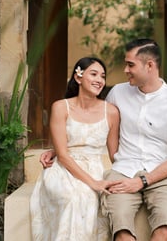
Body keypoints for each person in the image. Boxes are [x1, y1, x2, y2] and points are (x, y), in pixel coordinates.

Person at [41, 39, 167, 241]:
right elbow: (96, 124)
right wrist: (59, 148)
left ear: (149, 66)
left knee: (164, 229)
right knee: (121, 230)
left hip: (161, 175)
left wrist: (143, 181)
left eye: (130, 65)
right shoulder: (118, 93)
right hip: (122, 172)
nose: (125, 70)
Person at [30, 57, 121, 241]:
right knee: (73, 197)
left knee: (91, 199)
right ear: (78, 77)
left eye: (102, 76)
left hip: (95, 168)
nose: (99, 80)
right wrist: (93, 183)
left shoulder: (111, 111)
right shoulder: (60, 107)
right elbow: (63, 155)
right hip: (63, 169)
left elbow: (114, 155)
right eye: (93, 74)